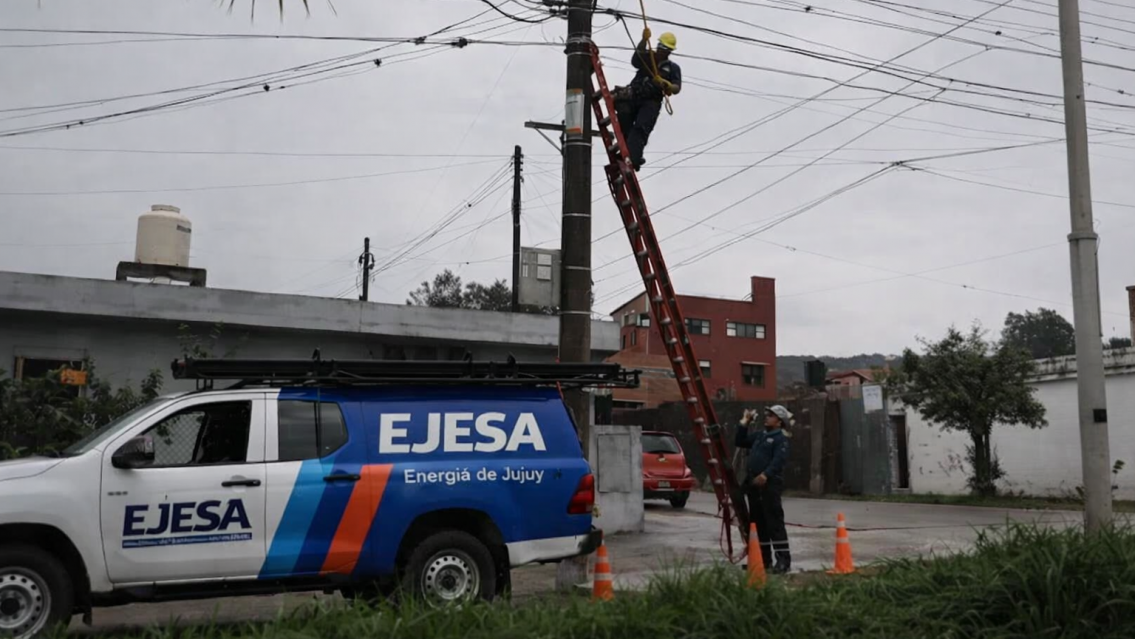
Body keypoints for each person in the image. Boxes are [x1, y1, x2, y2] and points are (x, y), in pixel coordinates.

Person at [614, 29, 681, 172]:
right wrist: (643, 40)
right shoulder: (648, 57)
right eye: (661, 47)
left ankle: (633, 158)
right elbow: (635, 60)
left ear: (670, 51)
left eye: (666, 49)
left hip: (651, 102)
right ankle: (630, 151)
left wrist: (667, 84)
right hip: (635, 94)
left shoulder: (672, 68)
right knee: (623, 114)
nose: (662, 51)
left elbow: (676, 87)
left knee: (641, 128)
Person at [735, 405, 792, 574]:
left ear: (779, 421)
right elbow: (740, 441)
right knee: (758, 524)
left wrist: (766, 474)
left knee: (774, 523)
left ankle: (783, 561)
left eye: (771, 415)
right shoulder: (761, 435)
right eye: (767, 414)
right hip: (754, 485)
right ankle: (764, 560)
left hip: (769, 486)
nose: (767, 417)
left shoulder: (780, 438)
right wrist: (744, 423)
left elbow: (779, 460)